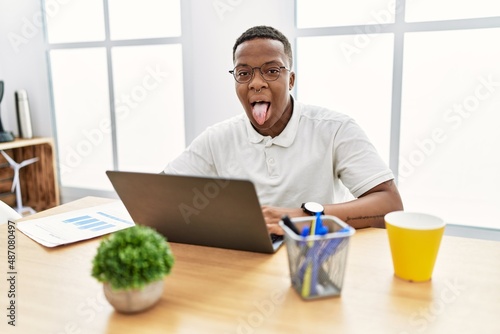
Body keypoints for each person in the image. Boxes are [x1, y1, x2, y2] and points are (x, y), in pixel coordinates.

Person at [163, 25, 403, 235]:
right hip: (242, 263)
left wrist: (306, 218)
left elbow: (389, 205)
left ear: (291, 80)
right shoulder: (217, 138)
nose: (256, 83)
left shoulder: (335, 129)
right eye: (244, 73)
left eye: (271, 70)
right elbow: (158, 196)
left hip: (313, 257)